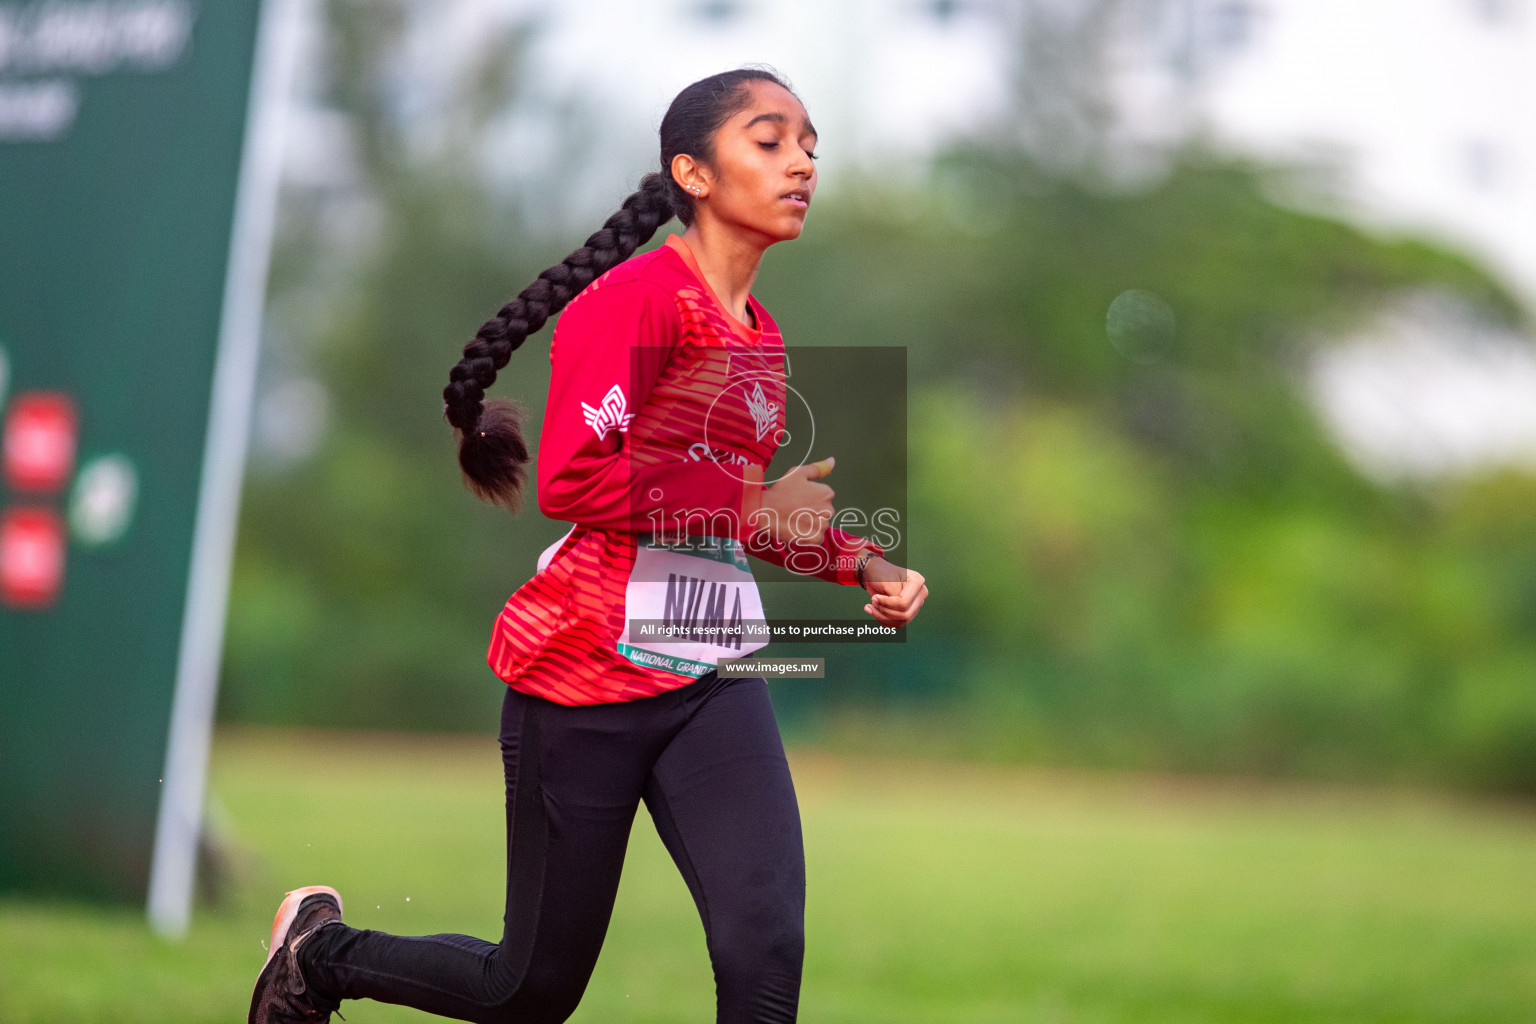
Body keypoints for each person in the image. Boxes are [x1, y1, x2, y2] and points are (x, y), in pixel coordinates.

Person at [248, 67, 929, 1024]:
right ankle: (318, 957)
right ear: (692, 173)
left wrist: (862, 561)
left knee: (764, 950)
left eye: (811, 144)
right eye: (770, 142)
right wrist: (738, 495)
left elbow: (743, 511)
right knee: (529, 991)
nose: (802, 163)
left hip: (710, 674)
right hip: (583, 677)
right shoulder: (636, 302)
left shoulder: (761, 339)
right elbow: (572, 479)